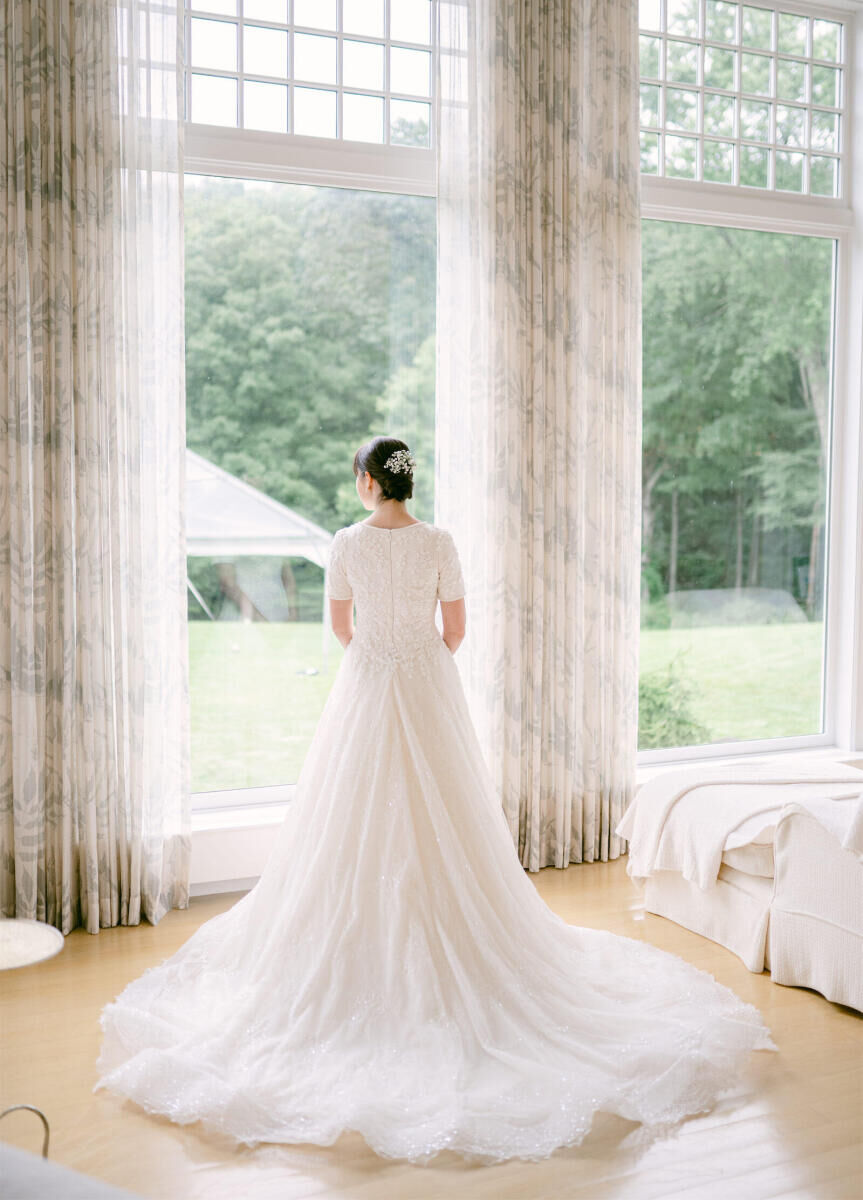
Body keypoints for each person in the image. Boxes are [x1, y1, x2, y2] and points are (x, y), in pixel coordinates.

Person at [95, 435, 777, 1165]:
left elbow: (339, 628)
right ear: (405, 484)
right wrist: (415, 661)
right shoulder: (441, 540)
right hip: (427, 685)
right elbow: (453, 631)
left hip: (366, 685)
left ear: (365, 482)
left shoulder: (346, 543)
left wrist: (380, 658)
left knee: (348, 818)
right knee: (446, 813)